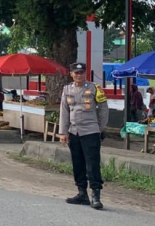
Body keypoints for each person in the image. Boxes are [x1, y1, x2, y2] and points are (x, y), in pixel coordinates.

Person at [59, 62, 108, 210]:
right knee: (77, 163)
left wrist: (99, 128)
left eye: (81, 72)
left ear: (85, 73)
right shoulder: (67, 89)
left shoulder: (95, 89)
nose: (79, 75)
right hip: (74, 132)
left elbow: (104, 110)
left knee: (92, 164)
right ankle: (82, 193)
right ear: (71, 74)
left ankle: (96, 195)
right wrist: (63, 132)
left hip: (90, 131)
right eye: (76, 72)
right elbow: (64, 110)